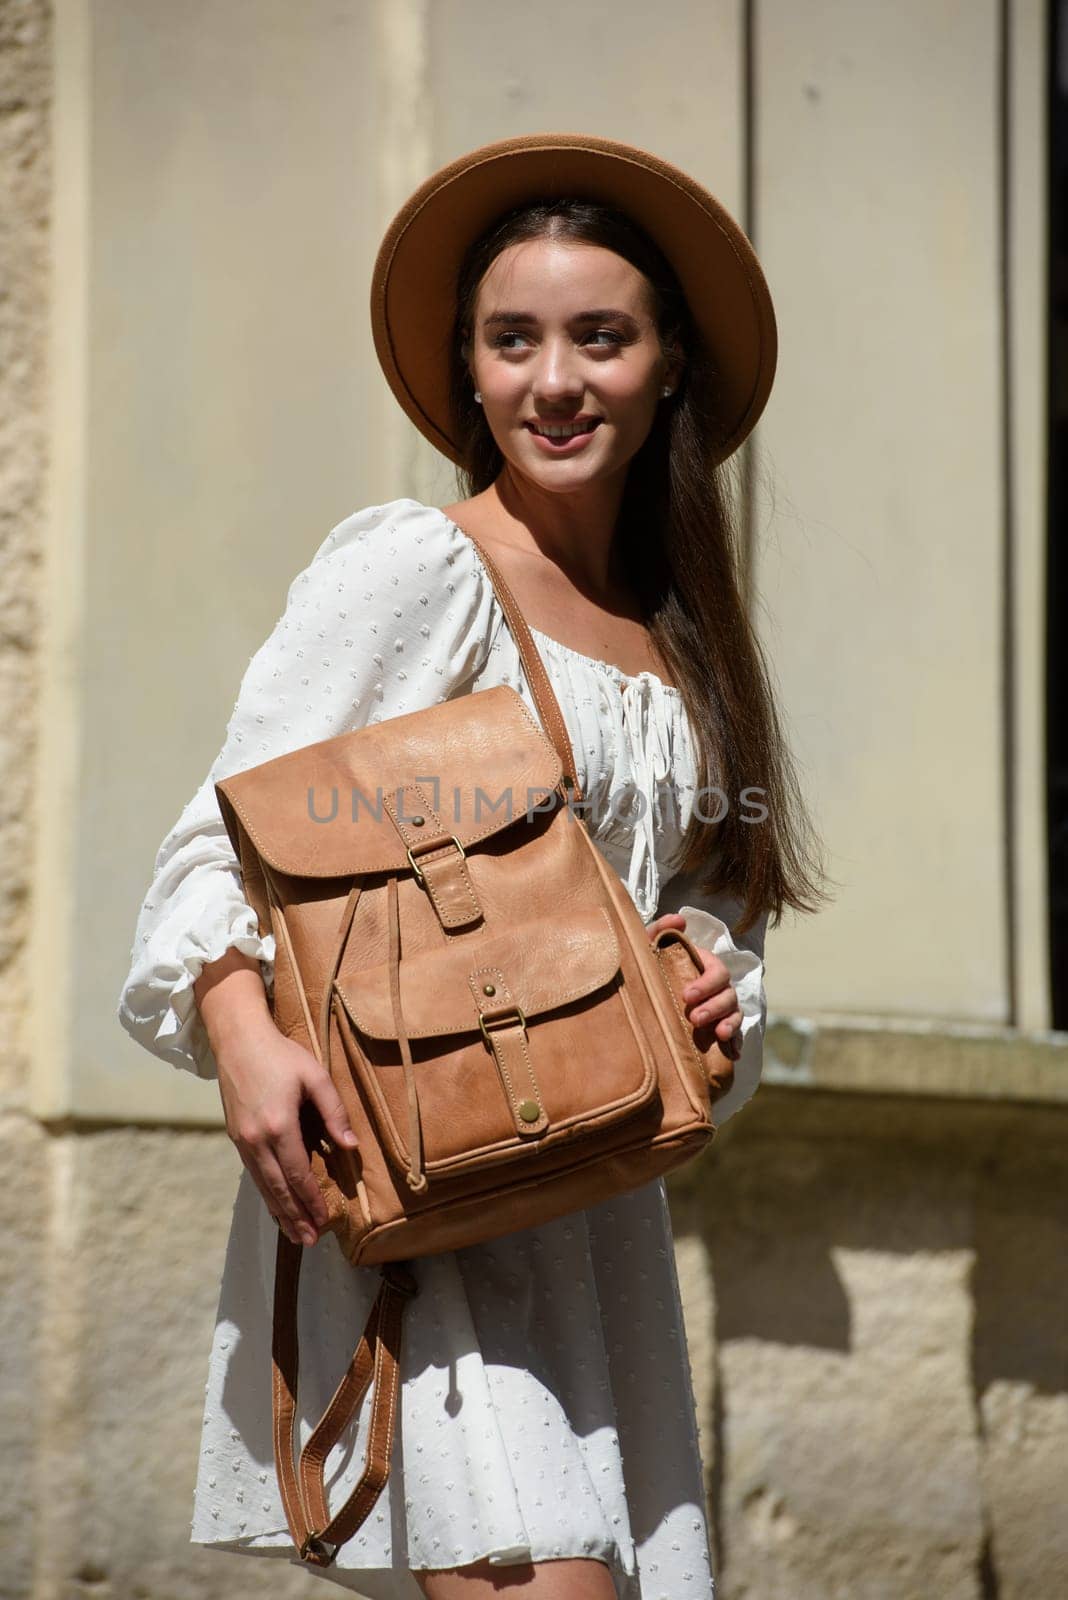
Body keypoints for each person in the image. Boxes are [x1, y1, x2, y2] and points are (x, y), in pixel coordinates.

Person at [117, 133, 826, 1600]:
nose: (552, 381)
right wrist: (245, 1038)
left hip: (601, 1209)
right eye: (512, 340)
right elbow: (216, 846)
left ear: (672, 364)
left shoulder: (686, 644)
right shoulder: (413, 568)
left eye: (599, 338)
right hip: (420, 1179)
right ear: (468, 366)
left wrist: (706, 990)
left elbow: (709, 913)